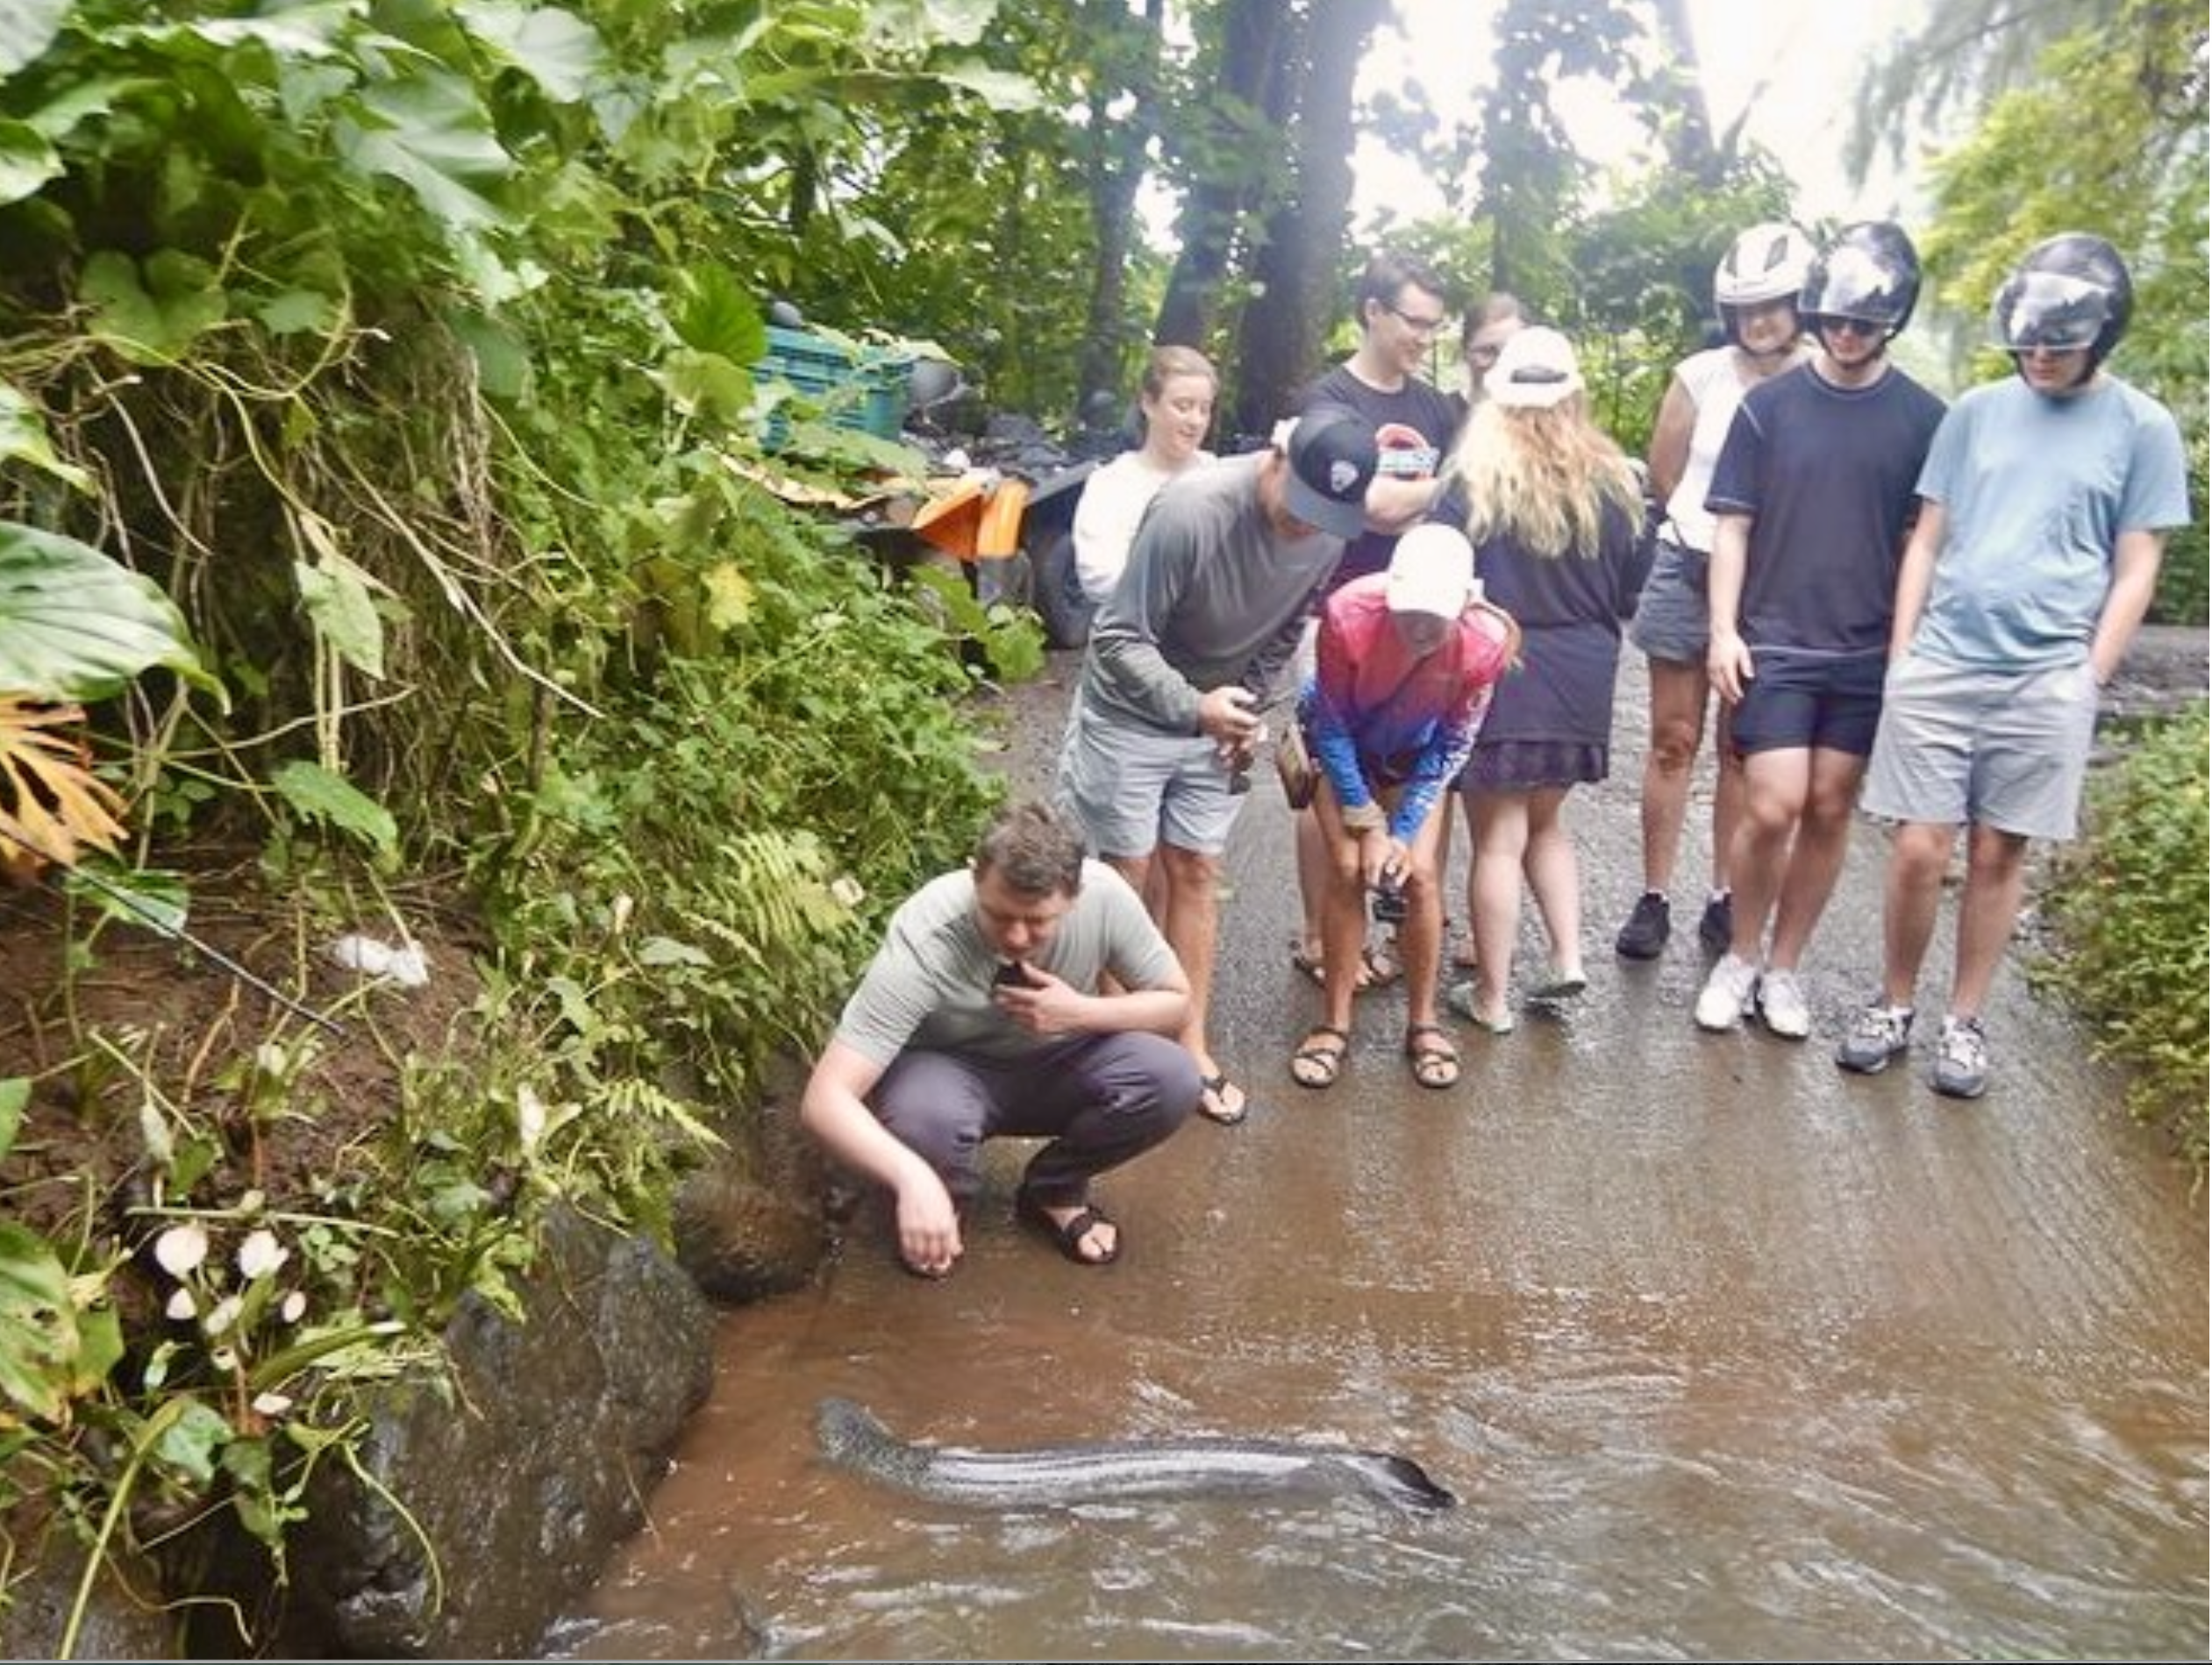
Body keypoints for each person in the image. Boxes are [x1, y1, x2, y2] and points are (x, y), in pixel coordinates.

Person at [1836, 233, 2190, 1098]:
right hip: (1942, 662)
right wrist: (1902, 656)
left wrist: (2088, 674)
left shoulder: (2141, 427)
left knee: (1998, 850)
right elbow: (1926, 536)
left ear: (2098, 340)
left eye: (2055, 346)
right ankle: (1893, 1003)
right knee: (1918, 847)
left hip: (2045, 678)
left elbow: (2136, 561)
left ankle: (1962, 1021)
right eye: (2026, 342)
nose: (2036, 357)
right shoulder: (1976, 412)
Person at [1056, 404, 1380, 1126]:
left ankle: (1187, 1042)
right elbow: (1115, 639)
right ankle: (1116, 1044)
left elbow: (1285, 631)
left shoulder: (1328, 533)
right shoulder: (1191, 513)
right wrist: (1193, 704)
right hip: (1132, 709)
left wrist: (1245, 710)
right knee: (1129, 873)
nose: (1305, 524)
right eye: (1299, 505)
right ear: (1276, 456)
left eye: (1323, 514)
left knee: (1198, 870)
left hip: (1215, 716)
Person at [1693, 221, 1948, 1038]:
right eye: (1832, 319)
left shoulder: (1923, 420)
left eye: (1861, 324)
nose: (1843, 335)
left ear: (1891, 323)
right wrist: (1723, 631)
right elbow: (1731, 525)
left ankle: (1785, 969)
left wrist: (1908, 651)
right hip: (1774, 639)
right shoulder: (1768, 409)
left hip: (1865, 649)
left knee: (1831, 809)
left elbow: (1925, 543)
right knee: (1772, 807)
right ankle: (1738, 955)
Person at [798, 799, 1199, 1277]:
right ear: (974, 878)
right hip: (945, 1070)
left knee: (1173, 1078)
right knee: (926, 1120)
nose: (1015, 936)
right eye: (998, 914)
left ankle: (1054, 1188)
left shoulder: (1106, 897)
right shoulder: (927, 935)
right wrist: (912, 1177)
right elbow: (825, 1098)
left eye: (1037, 923)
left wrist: (1081, 1012)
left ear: (1073, 897)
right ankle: (939, 1201)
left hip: (1060, 1059)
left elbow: (1177, 1003)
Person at [1432, 327, 1650, 1034]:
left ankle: (1491, 999)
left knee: (1497, 837)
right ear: (1574, 395)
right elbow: (1631, 586)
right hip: (1585, 669)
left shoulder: (1473, 480)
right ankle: (1565, 956)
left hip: (1503, 660)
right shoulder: (1616, 482)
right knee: (1547, 823)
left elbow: (1441, 572)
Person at [1614, 223, 1816, 962]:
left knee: (1740, 749)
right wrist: (1708, 531)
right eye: (1746, 308)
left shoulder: (1820, 377)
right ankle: (1654, 894)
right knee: (1673, 740)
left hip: (1772, 580)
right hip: (1686, 564)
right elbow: (1666, 472)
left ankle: (1725, 894)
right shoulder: (1700, 375)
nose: (1760, 321)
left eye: (1774, 305)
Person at [1287, 524, 1516, 1091]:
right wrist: (1366, 824)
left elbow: (1452, 747)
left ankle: (1424, 1023)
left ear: (1464, 603)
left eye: (1433, 615)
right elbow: (1332, 725)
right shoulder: (1346, 615)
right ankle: (1334, 1024)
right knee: (1345, 867)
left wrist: (1402, 829)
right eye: (1407, 610)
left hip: (1418, 751)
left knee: (1418, 875)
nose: (1418, 627)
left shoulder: (1485, 643)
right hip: (1342, 744)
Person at [1289, 251, 1463, 994]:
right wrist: (1438, 484)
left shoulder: (1436, 407)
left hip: (1421, 622)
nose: (1424, 337)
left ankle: (1394, 923)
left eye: (1434, 324)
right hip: (1334, 605)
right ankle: (1321, 932)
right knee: (1326, 777)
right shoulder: (1327, 399)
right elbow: (1368, 507)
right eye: (1412, 321)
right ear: (1372, 311)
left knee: (1408, 771)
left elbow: (1449, 503)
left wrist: (1415, 492)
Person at [1069, 345, 1220, 620]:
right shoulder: (1113, 484)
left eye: (1205, 409)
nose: (1195, 421)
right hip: (1135, 639)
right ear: (1149, 403)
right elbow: (1099, 578)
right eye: (1183, 406)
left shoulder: (1221, 477)